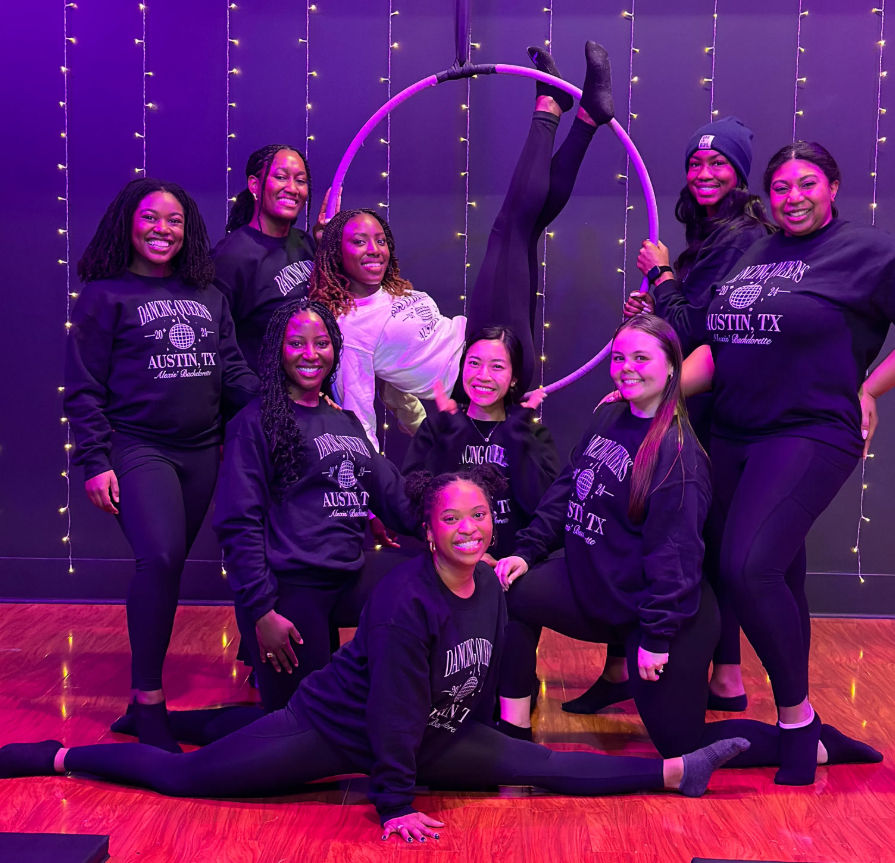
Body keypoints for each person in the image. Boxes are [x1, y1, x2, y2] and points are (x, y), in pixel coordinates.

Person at [0, 470, 754, 842]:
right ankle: (57, 754)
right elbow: (392, 709)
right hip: (336, 727)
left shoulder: (492, 585)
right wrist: (393, 802)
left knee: (537, 761)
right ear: (426, 534)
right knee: (191, 779)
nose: (468, 527)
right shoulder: (404, 600)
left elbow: (469, 675)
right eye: (451, 519)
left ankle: (674, 771)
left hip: (435, 732)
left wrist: (473, 741)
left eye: (478, 515)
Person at [494, 315, 882, 780]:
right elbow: (567, 488)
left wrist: (656, 638)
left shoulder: (678, 455)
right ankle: (512, 734)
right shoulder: (609, 414)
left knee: (681, 746)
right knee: (511, 592)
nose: (626, 368)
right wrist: (527, 551)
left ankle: (814, 743)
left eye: (641, 358)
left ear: (673, 369)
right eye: (620, 357)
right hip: (594, 586)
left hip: (663, 615)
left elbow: (675, 561)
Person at [682, 141, 895, 784]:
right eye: (779, 187)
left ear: (833, 187)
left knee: (747, 567)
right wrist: (657, 392)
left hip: (808, 431)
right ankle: (819, 735)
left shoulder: (868, 250)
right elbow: (720, 348)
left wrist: (869, 386)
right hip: (735, 431)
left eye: (807, 183)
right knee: (782, 577)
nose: (792, 196)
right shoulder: (755, 250)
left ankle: (798, 723)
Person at [310, 41, 617, 447]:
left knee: (527, 225)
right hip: (482, 368)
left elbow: (401, 381)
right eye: (358, 242)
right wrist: (370, 487)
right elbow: (359, 408)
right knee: (509, 229)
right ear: (336, 253)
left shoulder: (388, 293)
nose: (374, 249)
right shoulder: (348, 327)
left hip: (486, 346)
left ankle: (586, 118)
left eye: (380, 240)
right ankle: (550, 108)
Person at [569, 117, 774, 716]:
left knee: (678, 535)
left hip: (704, 410)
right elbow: (681, 320)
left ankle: (710, 678)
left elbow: (699, 330)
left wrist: (662, 276)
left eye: (718, 164)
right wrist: (654, 298)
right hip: (688, 404)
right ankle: (708, 677)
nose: (704, 174)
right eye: (695, 163)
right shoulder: (713, 235)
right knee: (669, 529)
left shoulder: (742, 237)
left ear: (740, 172)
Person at [65, 178, 258, 752]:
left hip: (202, 451)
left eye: (175, 221)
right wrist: (95, 460)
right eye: (151, 218)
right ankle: (149, 703)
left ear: (188, 231)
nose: (162, 230)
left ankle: (135, 706)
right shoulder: (104, 295)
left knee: (171, 567)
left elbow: (232, 372)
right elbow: (82, 388)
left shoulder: (209, 295)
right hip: (137, 447)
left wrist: (281, 401)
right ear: (128, 222)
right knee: (161, 556)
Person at [212, 298, 420, 712]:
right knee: (292, 730)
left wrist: (453, 529)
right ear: (277, 351)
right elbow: (239, 524)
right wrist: (261, 613)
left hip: (345, 576)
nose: (311, 354)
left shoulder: (344, 421)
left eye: (321, 343)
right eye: (297, 344)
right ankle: (176, 728)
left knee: (429, 581)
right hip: (290, 590)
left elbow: (393, 495)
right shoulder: (255, 423)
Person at [402, 326, 560, 561]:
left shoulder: (532, 434)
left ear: (514, 377)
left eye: (497, 366)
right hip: (447, 570)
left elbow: (543, 508)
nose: (483, 375)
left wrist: (516, 435)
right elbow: (416, 504)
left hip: (512, 570)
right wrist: (451, 437)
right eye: (474, 363)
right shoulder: (438, 429)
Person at [212, 144, 322, 372]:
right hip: (261, 399)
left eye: (300, 181)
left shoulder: (305, 243)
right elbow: (217, 344)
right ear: (254, 185)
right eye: (281, 177)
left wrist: (326, 247)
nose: (292, 188)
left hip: (308, 395)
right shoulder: (231, 256)